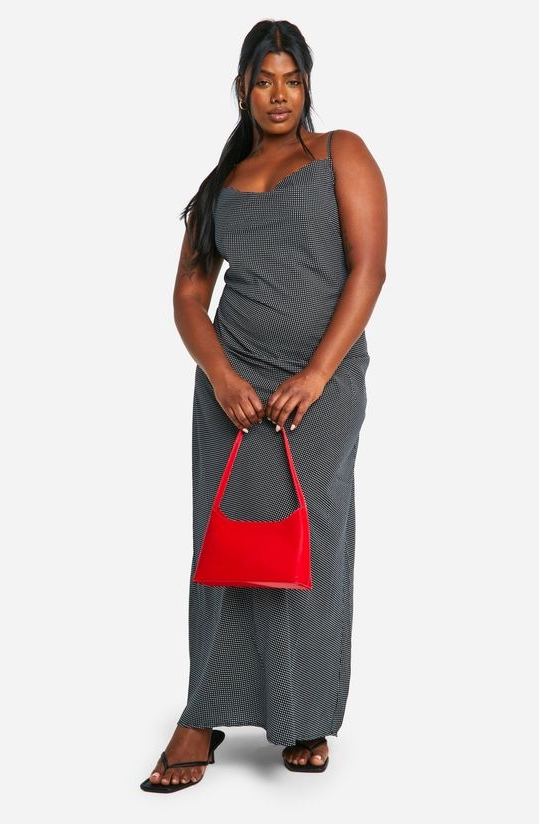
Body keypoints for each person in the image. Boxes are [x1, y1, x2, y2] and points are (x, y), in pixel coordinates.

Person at [140, 18, 387, 793]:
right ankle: (201, 715)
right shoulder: (219, 185)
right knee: (224, 544)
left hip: (320, 385)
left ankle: (303, 713)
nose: (278, 95)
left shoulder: (340, 153)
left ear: (306, 85)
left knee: (306, 544)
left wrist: (315, 374)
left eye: (291, 79)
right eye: (263, 81)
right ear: (241, 89)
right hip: (234, 388)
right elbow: (187, 296)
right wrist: (219, 375)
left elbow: (368, 270)